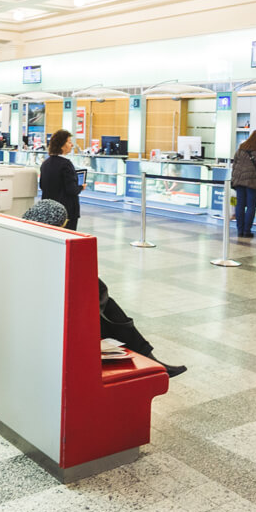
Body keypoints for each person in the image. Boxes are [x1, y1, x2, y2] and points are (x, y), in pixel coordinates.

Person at [22, 200, 186, 378]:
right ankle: (149, 357)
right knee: (108, 309)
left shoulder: (25, 244)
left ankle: (148, 357)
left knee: (108, 308)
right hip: (67, 320)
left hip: (49, 312)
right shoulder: (53, 260)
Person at [230, 129, 256, 238]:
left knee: (239, 205)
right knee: (251, 206)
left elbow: (235, 162)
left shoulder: (242, 147)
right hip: (252, 181)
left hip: (239, 180)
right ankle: (246, 231)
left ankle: (239, 230)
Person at [39, 128, 84, 230]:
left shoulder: (45, 163)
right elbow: (71, 189)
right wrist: (81, 187)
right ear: (62, 145)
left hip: (48, 209)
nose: (72, 145)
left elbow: (42, 185)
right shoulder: (66, 165)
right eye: (69, 142)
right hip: (66, 211)